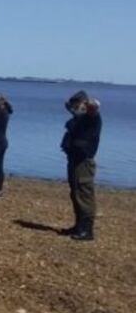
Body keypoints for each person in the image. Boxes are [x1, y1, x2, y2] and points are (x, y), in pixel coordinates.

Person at [60, 91, 102, 241]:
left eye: (77, 105)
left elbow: (94, 108)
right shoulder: (78, 118)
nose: (75, 108)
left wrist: (88, 104)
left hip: (84, 161)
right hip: (74, 159)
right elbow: (70, 108)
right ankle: (78, 225)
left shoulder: (92, 118)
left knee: (84, 194)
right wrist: (72, 106)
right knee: (75, 193)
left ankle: (87, 230)